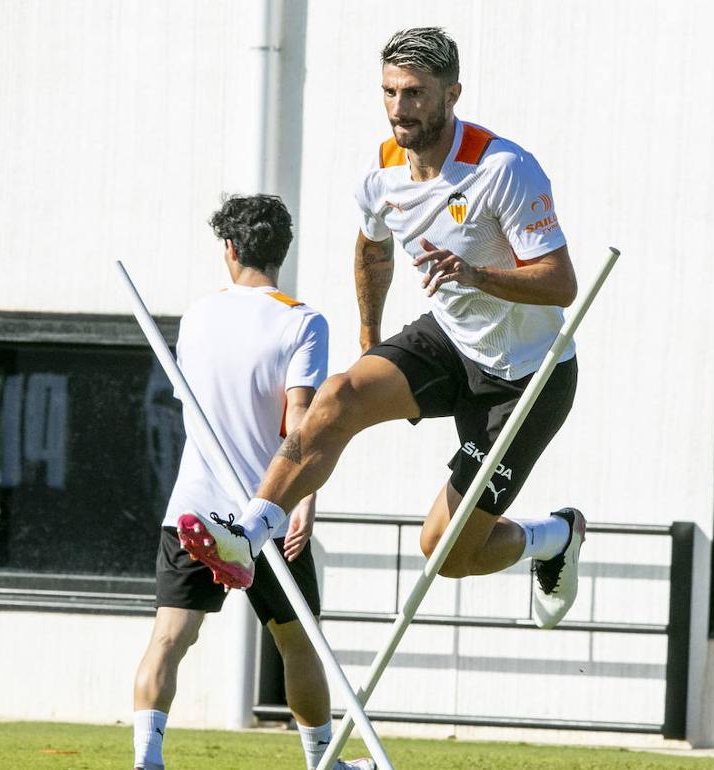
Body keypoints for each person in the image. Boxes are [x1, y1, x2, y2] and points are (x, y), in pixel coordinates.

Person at [179, 27, 587, 631]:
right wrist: (370, 336)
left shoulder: (504, 168)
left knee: (446, 553)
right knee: (338, 394)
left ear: (452, 93)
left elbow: (561, 284)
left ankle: (554, 537)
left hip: (527, 377)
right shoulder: (382, 169)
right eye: (390, 92)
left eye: (416, 93)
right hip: (449, 339)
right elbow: (372, 250)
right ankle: (250, 533)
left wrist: (476, 274)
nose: (401, 108)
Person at [132, 195, 370, 770]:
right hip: (268, 510)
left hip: (195, 510)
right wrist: (306, 501)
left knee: (170, 637)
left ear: (231, 249)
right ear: (280, 252)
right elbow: (306, 424)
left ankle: (147, 759)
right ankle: (321, 761)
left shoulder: (198, 315)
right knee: (298, 644)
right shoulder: (302, 320)